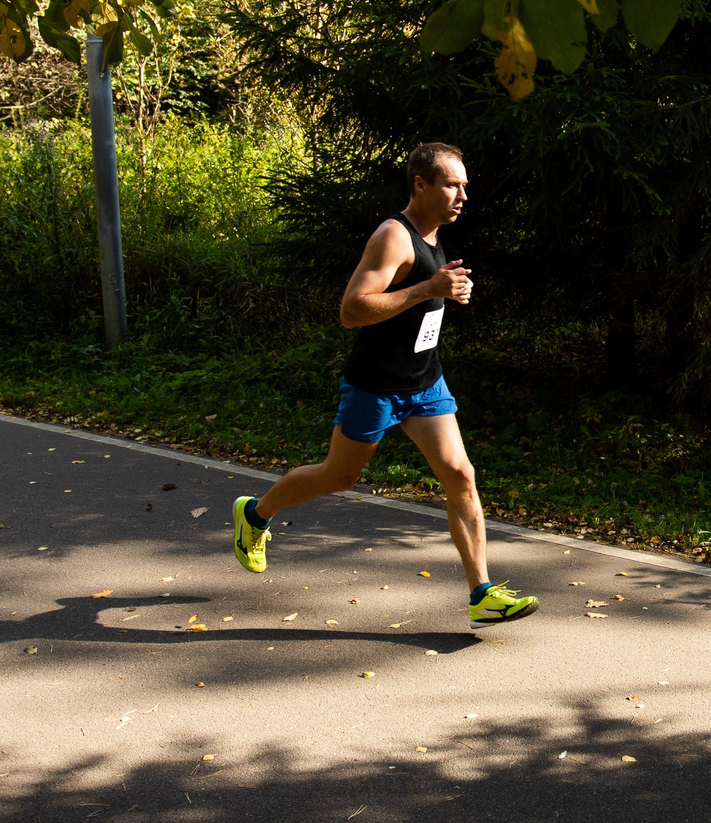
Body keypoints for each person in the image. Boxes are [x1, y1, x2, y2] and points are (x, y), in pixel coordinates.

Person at [230, 142, 538, 626]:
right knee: (339, 476)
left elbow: (418, 302)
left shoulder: (433, 235)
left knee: (460, 474)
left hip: (425, 383)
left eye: (465, 186)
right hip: (376, 386)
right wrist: (426, 289)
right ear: (421, 185)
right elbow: (352, 311)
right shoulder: (394, 236)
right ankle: (255, 514)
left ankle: (481, 593)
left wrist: (449, 290)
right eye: (452, 185)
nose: (462, 195)